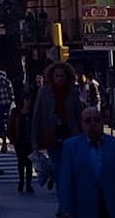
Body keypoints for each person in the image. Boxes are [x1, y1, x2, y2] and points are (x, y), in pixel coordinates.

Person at [57, 106, 115, 218]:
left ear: (102, 122)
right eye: (88, 120)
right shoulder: (70, 147)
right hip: (83, 208)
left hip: (113, 208)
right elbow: (65, 180)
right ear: (81, 123)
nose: (92, 124)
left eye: (96, 120)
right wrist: (65, 209)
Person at [34, 60, 84, 188]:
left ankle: (66, 185)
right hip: (52, 133)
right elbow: (38, 114)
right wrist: (34, 139)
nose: (59, 79)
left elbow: (79, 113)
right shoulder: (44, 92)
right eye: (57, 76)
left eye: (62, 76)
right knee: (56, 163)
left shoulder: (73, 91)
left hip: (70, 132)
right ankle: (60, 185)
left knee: (69, 163)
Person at [8, 90, 36, 194]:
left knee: (29, 163)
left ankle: (28, 183)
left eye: (30, 100)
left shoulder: (32, 113)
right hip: (19, 140)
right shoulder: (16, 112)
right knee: (21, 162)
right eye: (27, 100)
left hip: (29, 140)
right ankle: (21, 181)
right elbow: (11, 125)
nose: (28, 102)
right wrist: (12, 139)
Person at [0, 71, 15, 152]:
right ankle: (6, 141)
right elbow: (11, 93)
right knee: (7, 123)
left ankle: (2, 140)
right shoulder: (7, 81)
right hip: (6, 105)